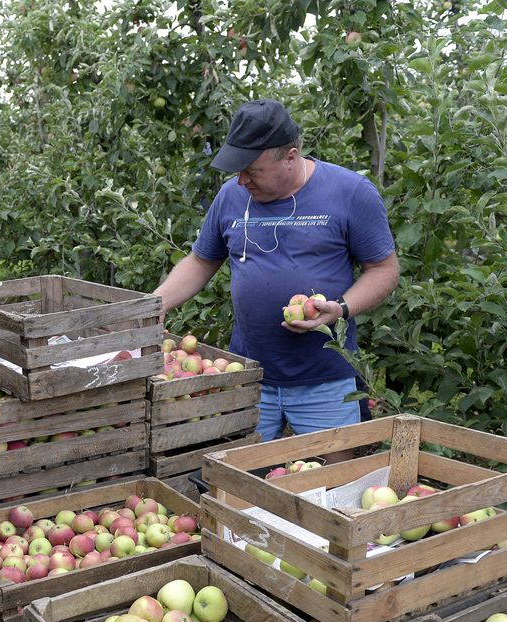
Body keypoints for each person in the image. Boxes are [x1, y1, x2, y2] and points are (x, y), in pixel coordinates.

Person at [154, 99, 399, 459]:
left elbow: (384, 270)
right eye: (238, 169)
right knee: (238, 483)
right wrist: (154, 306)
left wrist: (341, 308)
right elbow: (201, 261)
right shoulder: (231, 197)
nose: (241, 179)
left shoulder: (351, 193)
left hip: (325, 379)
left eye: (252, 169)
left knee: (338, 485)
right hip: (246, 375)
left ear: (290, 157)